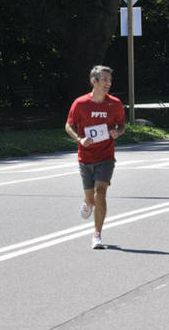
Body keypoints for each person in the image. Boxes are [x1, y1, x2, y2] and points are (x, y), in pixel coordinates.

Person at [65, 65, 126, 249]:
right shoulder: (80, 103)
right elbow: (68, 126)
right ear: (94, 81)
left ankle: (97, 234)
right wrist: (80, 139)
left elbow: (122, 125)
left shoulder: (114, 103)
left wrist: (117, 132)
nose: (108, 83)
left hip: (106, 156)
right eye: (105, 80)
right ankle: (87, 201)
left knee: (101, 193)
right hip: (85, 157)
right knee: (91, 199)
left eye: (110, 80)